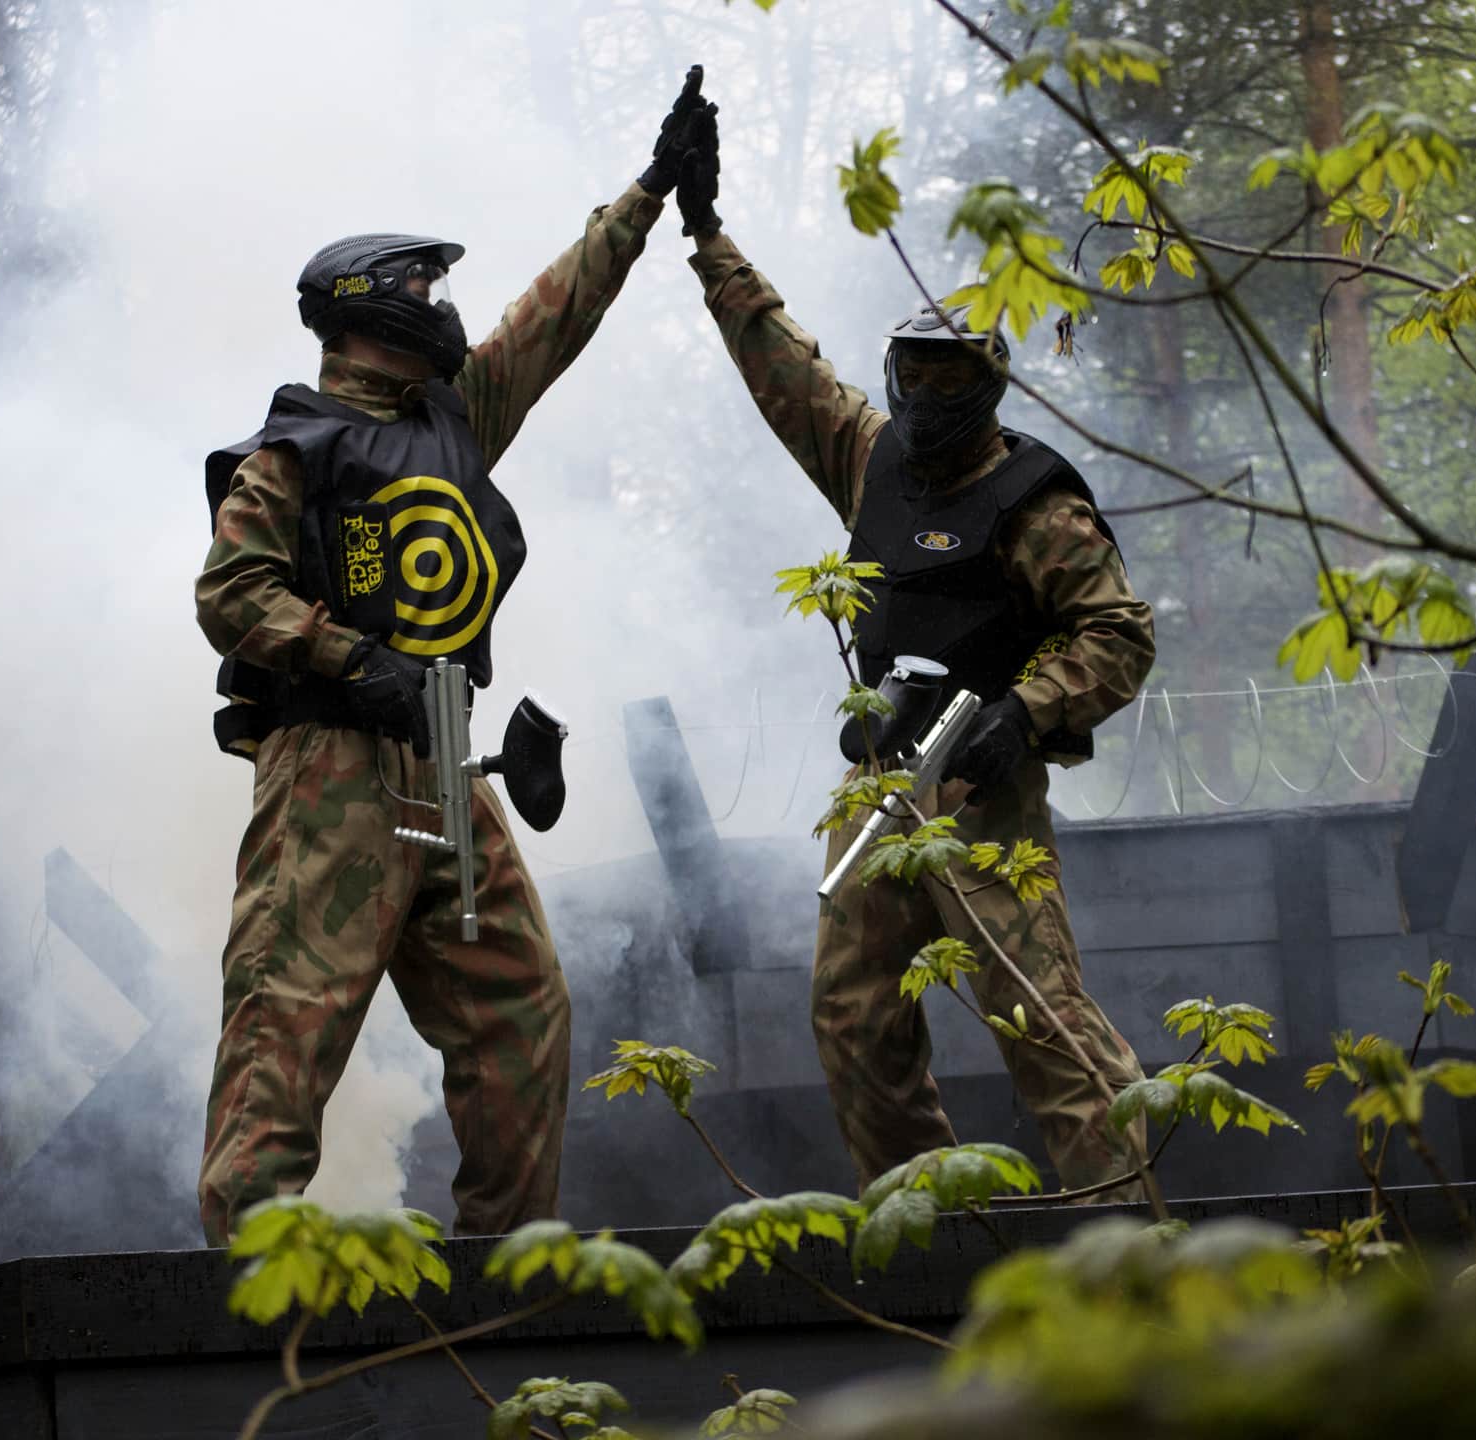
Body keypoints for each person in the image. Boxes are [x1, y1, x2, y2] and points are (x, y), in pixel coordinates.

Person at [192, 69, 715, 1244]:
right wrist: (341, 658)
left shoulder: (453, 415)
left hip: (443, 763)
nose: (445, 301)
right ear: (375, 304)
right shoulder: (291, 450)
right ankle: (230, 1318)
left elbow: (551, 313)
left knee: (521, 1012)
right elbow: (230, 594)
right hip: (330, 768)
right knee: (290, 1034)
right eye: (425, 283)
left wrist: (644, 193)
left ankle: (504, 1274)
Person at [672, 108, 1157, 1193]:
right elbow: (777, 359)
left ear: (988, 385)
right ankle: (931, 1229)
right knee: (850, 1015)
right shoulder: (868, 454)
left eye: (952, 379)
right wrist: (705, 231)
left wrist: (1023, 712)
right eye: (915, 374)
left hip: (983, 788)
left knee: (1042, 1018)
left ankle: (1124, 1233)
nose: (930, 399)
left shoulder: (1036, 501)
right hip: (877, 778)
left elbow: (1118, 634)